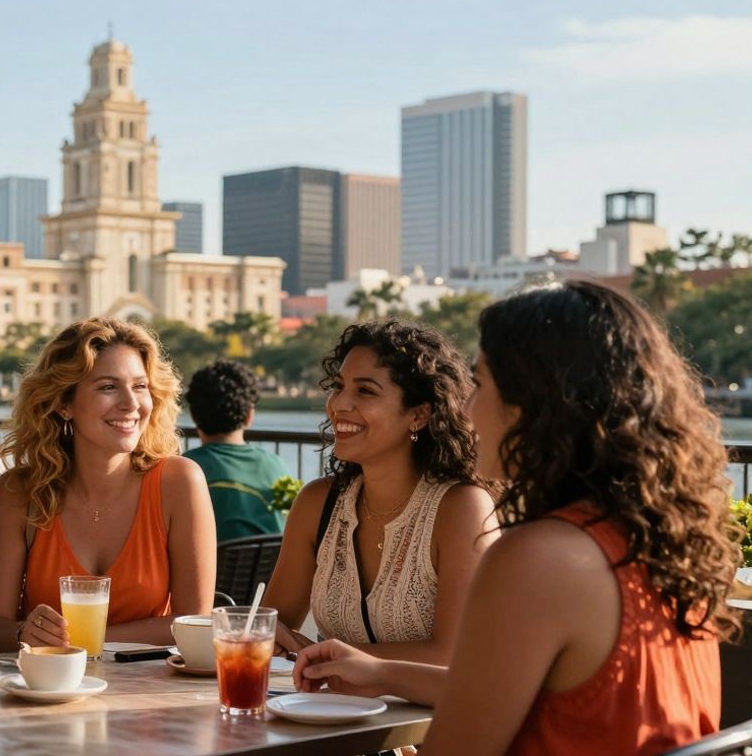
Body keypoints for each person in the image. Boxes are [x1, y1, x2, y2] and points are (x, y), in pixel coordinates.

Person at [293, 282, 740, 755]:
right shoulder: (657, 544)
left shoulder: (537, 558)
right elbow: (524, 692)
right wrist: (383, 674)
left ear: (534, 405)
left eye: (481, 384)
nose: (464, 409)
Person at [264, 319, 497, 665]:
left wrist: (323, 656)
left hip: (427, 705)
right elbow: (271, 627)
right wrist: (268, 635)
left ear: (418, 415)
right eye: (338, 386)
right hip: (322, 701)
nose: (339, 404)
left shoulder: (461, 508)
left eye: (365, 391)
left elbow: (455, 655)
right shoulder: (318, 503)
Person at [0, 317, 216, 650]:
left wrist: (85, 640)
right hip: (49, 679)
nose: (131, 404)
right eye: (108, 387)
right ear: (63, 404)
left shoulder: (180, 482)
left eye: (140, 386)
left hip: (152, 680)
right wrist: (22, 632)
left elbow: (195, 621)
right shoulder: (18, 492)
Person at [182, 360, 288, 541]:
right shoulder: (277, 466)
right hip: (270, 560)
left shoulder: (183, 469)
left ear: (193, 415)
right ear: (249, 416)